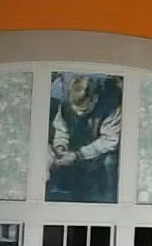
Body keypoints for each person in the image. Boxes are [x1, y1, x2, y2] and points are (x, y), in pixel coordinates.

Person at [46, 75, 121, 203]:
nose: (79, 114)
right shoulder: (65, 105)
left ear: (95, 99)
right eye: (76, 110)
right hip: (76, 153)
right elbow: (61, 129)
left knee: (110, 163)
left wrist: (78, 155)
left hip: (102, 156)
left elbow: (110, 140)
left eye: (84, 109)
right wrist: (60, 147)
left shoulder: (111, 107)